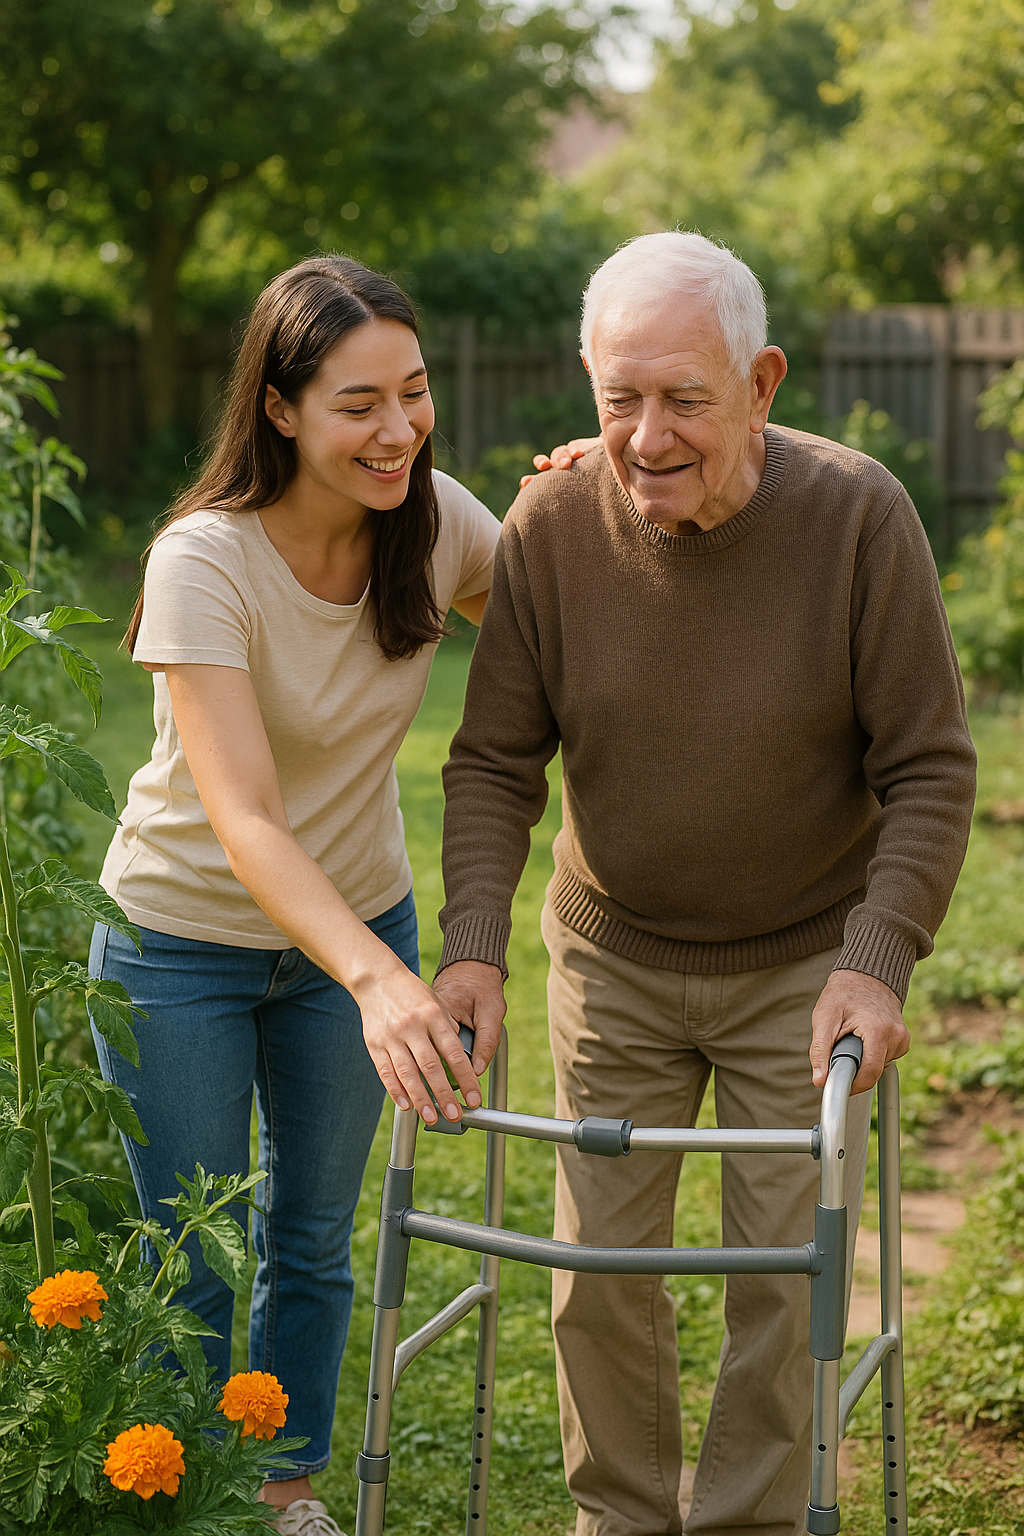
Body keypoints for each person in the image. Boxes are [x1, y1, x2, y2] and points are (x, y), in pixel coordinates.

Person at [433, 232, 976, 1536]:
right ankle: (621, 1520)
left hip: (802, 960)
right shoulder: (553, 526)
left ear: (764, 383)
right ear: (586, 382)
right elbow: (496, 761)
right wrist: (469, 949)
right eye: (620, 398)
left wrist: (876, 955)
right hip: (614, 956)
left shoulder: (859, 518)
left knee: (782, 1281)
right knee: (594, 1277)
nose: (645, 435)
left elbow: (931, 770)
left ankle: (744, 1524)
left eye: (685, 398)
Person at [90, 256, 499, 1536]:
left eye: (415, 395)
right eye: (358, 404)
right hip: (180, 943)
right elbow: (247, 818)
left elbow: (568, 609)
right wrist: (380, 981)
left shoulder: (437, 528)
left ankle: (281, 1489)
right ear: (279, 409)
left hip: (355, 923)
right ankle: (186, 1501)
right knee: (190, 1259)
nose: (398, 431)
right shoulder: (201, 560)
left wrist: (579, 493)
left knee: (311, 1242)